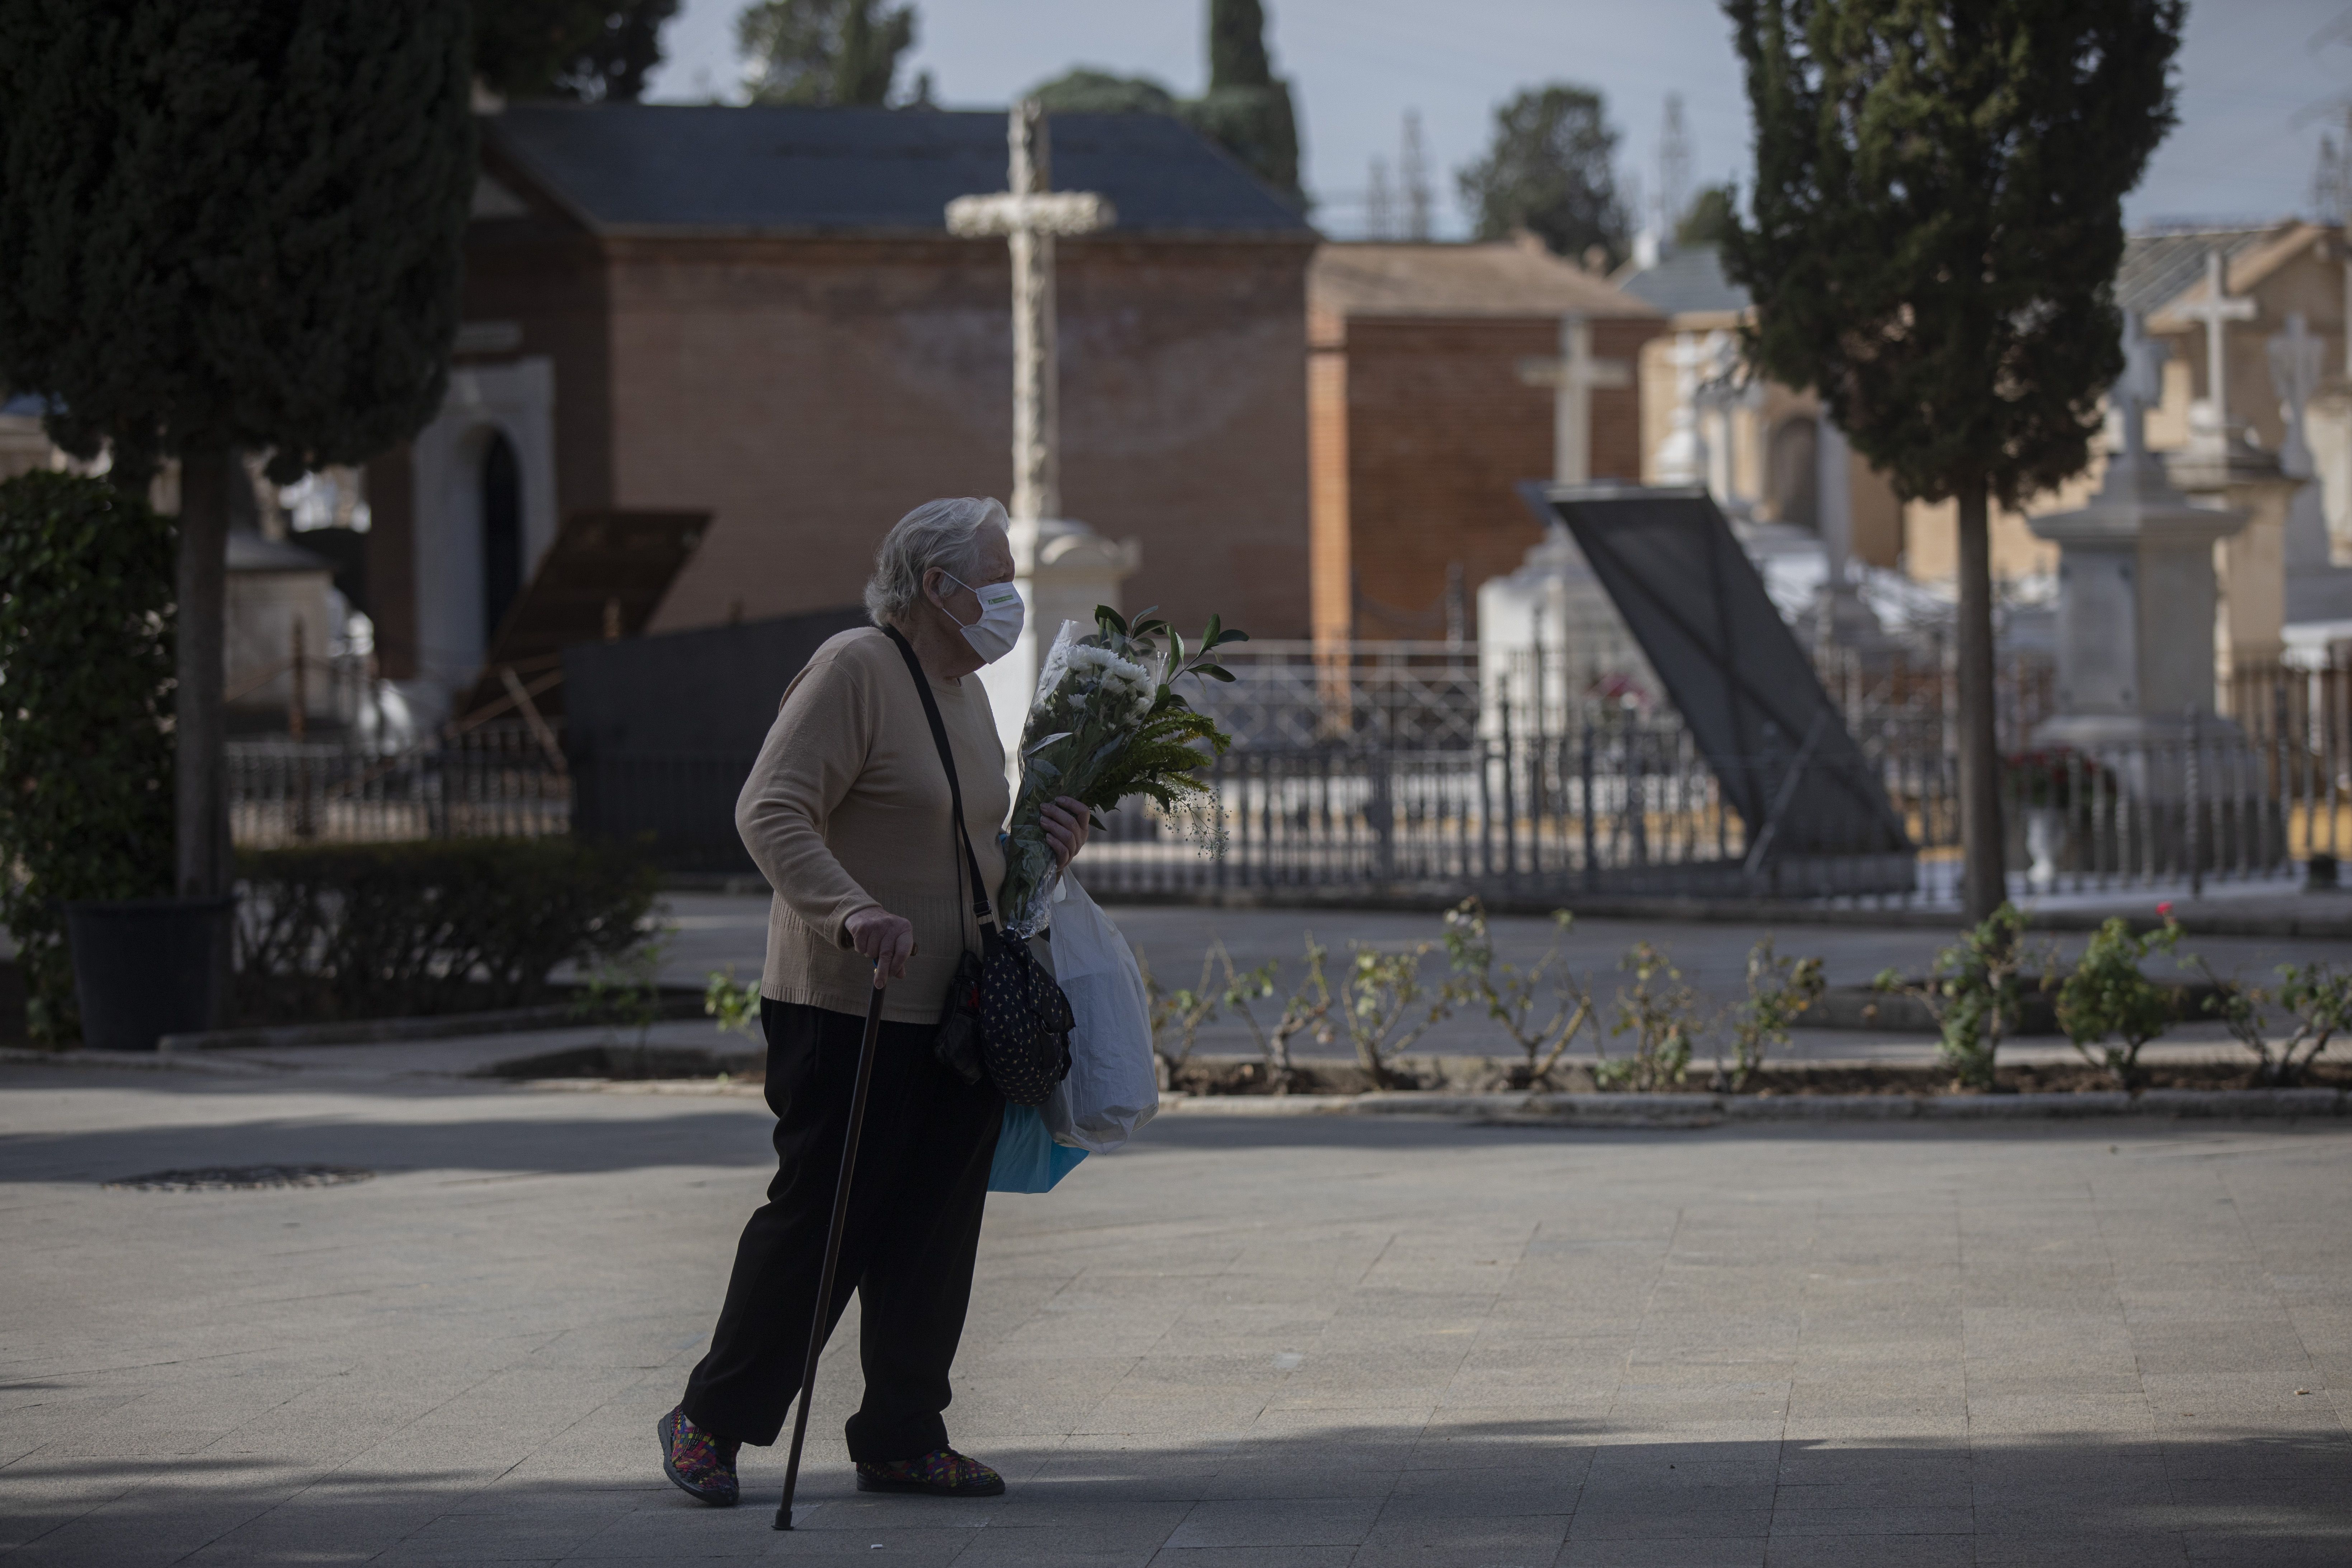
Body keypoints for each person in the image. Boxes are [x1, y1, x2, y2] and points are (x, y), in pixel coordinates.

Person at [658, 496, 1090, 1507]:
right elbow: (769, 807)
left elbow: (960, 838)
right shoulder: (856, 667)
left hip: (957, 1007)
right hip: (850, 1003)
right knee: (826, 1221)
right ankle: (709, 1420)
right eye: (992, 573)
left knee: (933, 1227)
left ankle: (901, 1433)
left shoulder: (962, 688)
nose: (1008, 594)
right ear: (936, 586)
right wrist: (850, 912)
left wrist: (1047, 841)